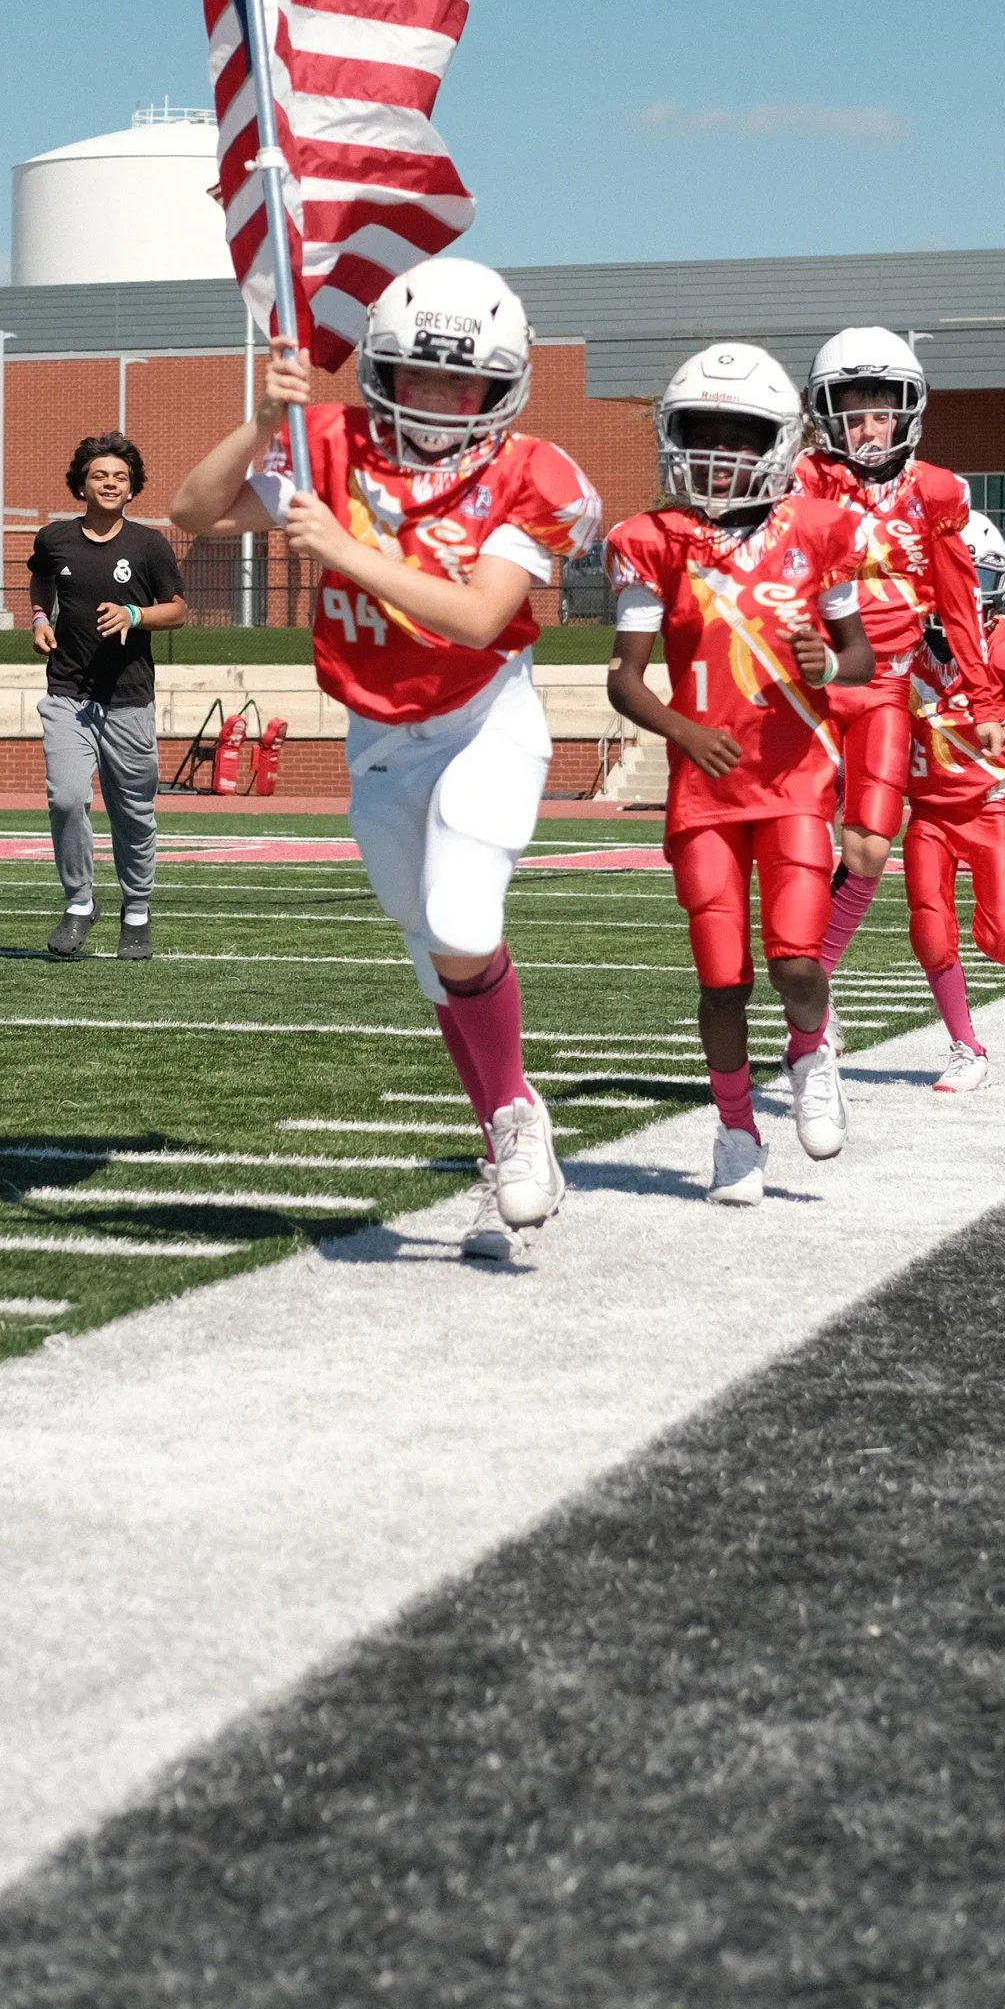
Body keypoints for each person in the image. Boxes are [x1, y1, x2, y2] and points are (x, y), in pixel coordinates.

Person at [172, 260, 598, 1260]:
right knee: (430, 955)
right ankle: (507, 1107)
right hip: (376, 731)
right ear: (381, 372)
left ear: (503, 385)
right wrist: (263, 423)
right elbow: (192, 514)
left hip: (482, 714)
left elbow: (480, 614)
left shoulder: (531, 471)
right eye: (417, 378)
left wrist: (342, 549)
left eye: (463, 385)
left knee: (461, 920)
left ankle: (512, 1123)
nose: (441, 404)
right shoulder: (331, 443)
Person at [605, 344, 872, 1203]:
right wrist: (682, 728)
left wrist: (826, 666)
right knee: (721, 978)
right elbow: (624, 676)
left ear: (782, 442)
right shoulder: (650, 540)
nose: (718, 450)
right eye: (701, 430)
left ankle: (809, 1049)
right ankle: (734, 1132)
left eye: (738, 432)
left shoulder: (821, 531)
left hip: (793, 776)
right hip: (705, 787)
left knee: (797, 959)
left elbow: (860, 656)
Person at [790, 326, 1004, 1007]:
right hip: (807, 683)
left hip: (885, 686)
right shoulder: (798, 481)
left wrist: (985, 697)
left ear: (909, 411)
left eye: (883, 409)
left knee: (870, 851)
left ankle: (815, 974)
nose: (870, 426)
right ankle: (801, 980)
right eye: (853, 410)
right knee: (791, 843)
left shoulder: (936, 492)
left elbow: (960, 601)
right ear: (825, 414)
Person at [900, 508, 1005, 1092]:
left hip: (992, 805)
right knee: (929, 928)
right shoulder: (900, 641)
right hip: (928, 811)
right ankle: (965, 1046)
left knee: (1004, 943)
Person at [27, 434, 186, 962]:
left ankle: (136, 910)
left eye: (120, 476)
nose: (111, 483)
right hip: (68, 695)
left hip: (129, 700)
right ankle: (79, 903)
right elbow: (40, 580)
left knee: (133, 813)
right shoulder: (54, 539)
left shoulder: (149, 546)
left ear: (132, 487)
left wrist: (135, 614)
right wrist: (39, 618)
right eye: (100, 475)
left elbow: (178, 610)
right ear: (82, 485)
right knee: (67, 798)